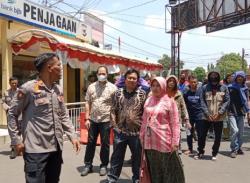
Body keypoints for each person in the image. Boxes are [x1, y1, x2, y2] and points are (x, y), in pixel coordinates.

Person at [8, 53, 81, 183]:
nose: (62, 68)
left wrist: (73, 136)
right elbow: (12, 114)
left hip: (55, 149)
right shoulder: (28, 89)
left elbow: (63, 115)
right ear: (49, 68)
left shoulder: (58, 90)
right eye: (58, 65)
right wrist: (16, 140)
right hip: (35, 151)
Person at [140, 77, 185, 183]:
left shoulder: (170, 102)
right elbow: (144, 120)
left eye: (158, 86)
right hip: (149, 142)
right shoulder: (148, 100)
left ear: (163, 86)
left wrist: (175, 141)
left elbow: (175, 124)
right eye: (153, 85)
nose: (155, 88)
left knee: (167, 171)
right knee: (154, 170)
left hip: (164, 142)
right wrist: (141, 136)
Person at [106, 69, 147, 183]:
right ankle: (112, 178)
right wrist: (115, 127)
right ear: (125, 79)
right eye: (130, 77)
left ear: (137, 80)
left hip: (136, 133)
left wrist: (143, 130)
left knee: (137, 158)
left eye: (134, 78)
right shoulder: (117, 93)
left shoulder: (143, 94)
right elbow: (113, 110)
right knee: (116, 157)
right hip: (120, 132)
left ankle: (137, 178)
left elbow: (145, 112)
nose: (132, 80)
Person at [81, 66, 117, 176]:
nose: (102, 75)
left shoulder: (113, 88)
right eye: (100, 73)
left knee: (105, 144)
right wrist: (87, 118)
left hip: (106, 120)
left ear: (107, 74)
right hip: (93, 120)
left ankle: (104, 165)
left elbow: (115, 105)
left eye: (104, 73)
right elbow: (87, 102)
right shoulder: (91, 87)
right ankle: (88, 165)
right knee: (90, 143)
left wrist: (113, 120)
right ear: (97, 74)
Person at [196, 71, 230, 161]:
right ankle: (200, 152)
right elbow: (202, 101)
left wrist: (220, 113)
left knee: (218, 136)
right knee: (202, 135)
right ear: (209, 77)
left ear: (218, 77)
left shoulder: (224, 87)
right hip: (206, 117)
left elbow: (227, 101)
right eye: (212, 76)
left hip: (219, 117)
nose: (214, 77)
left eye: (215, 76)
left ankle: (214, 153)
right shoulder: (204, 88)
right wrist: (207, 114)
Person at [166, 75, 191, 154]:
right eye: (170, 80)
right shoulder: (162, 93)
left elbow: (183, 107)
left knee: (177, 134)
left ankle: (177, 148)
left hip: (177, 119)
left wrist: (186, 120)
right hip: (164, 119)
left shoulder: (179, 93)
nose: (171, 83)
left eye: (173, 81)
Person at [227, 71, 250, 158]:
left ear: (244, 78)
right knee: (235, 131)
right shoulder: (230, 87)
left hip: (241, 113)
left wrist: (248, 113)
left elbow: (247, 100)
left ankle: (238, 148)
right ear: (236, 77)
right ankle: (233, 149)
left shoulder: (245, 88)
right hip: (231, 112)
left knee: (241, 132)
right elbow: (226, 99)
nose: (240, 78)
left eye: (241, 77)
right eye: (238, 76)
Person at [183, 75, 204, 155]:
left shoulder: (201, 91)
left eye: (195, 82)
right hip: (189, 115)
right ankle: (190, 149)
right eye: (191, 82)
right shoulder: (185, 92)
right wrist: (184, 116)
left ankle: (200, 149)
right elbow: (183, 104)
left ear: (197, 82)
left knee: (200, 133)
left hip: (199, 115)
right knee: (189, 133)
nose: (193, 84)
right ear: (189, 82)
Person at [2, 76, 20, 159]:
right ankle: (14, 149)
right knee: (12, 131)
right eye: (12, 83)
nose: (14, 84)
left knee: (21, 131)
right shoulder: (6, 92)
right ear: (9, 83)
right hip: (10, 114)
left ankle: (20, 147)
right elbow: (2, 102)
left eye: (15, 83)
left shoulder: (21, 92)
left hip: (20, 114)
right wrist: (8, 108)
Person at [222, 73, 233, 140]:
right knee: (225, 121)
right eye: (228, 78)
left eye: (231, 77)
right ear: (226, 79)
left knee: (230, 121)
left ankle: (229, 134)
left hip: (232, 107)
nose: (230, 79)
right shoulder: (223, 86)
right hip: (225, 106)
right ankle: (226, 135)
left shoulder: (233, 86)